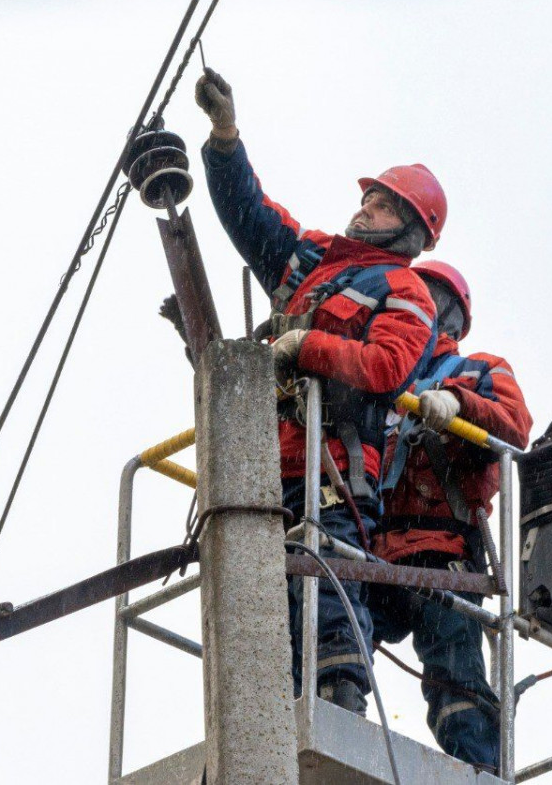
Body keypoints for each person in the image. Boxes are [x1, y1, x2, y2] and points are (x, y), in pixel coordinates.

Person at [195, 68, 442, 714]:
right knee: (262, 610)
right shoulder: (312, 262)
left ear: (409, 229)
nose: (365, 207)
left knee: (327, 595)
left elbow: (388, 367)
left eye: (383, 203)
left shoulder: (406, 292)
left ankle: (339, 704)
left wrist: (305, 347)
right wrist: (226, 138)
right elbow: (251, 216)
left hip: (331, 469)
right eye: (369, 197)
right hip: (264, 463)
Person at [371, 260, 533, 772]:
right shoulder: (383, 371)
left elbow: (513, 428)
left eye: (425, 296)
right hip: (371, 556)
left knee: (456, 685)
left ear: (451, 318)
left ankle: (481, 770)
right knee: (325, 645)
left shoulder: (480, 369)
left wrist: (457, 403)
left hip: (442, 558)